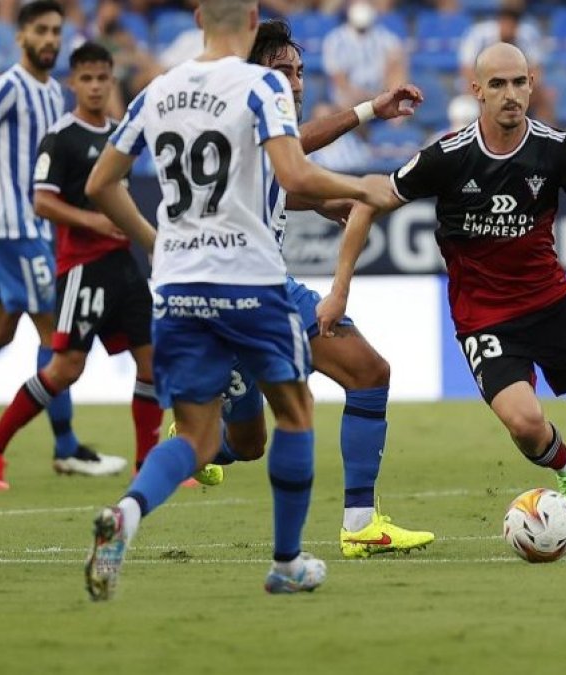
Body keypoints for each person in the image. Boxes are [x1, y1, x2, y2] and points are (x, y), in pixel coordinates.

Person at [318, 43, 566, 554]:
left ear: (532, 84)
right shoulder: (446, 157)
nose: (511, 95)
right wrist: (339, 290)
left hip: (552, 305)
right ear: (477, 91)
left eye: (519, 83)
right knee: (527, 425)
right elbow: (366, 204)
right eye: (499, 85)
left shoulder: (555, 147)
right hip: (484, 318)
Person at [81, 0, 396, 600]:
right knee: (297, 412)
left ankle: (125, 514)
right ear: (252, 25)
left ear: (199, 20)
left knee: (203, 439)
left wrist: (156, 242)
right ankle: (285, 562)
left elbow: (101, 184)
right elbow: (297, 173)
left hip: (176, 287)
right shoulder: (262, 86)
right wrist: (363, 186)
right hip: (250, 283)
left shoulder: (158, 90)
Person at [200, 17, 434, 559]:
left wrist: (323, 204)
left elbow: (278, 181)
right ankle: (358, 523)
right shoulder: (246, 113)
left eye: (300, 72)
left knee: (247, 445)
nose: (297, 82)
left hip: (224, 296)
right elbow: (292, 152)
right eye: (282, 71)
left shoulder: (233, 125)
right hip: (257, 291)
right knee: (370, 373)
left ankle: (193, 444)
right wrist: (371, 109)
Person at [0, 43, 147, 485]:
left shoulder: (122, 134)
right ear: (74, 83)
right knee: (65, 367)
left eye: (103, 77)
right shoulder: (60, 137)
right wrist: (96, 223)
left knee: (154, 362)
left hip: (123, 267)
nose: (96, 86)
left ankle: (150, 466)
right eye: (87, 78)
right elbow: (42, 203)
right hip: (81, 267)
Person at [0, 1, 87, 491]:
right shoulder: (9, 87)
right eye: (41, 31)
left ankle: (67, 444)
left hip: (41, 230)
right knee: (59, 335)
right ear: (21, 37)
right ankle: (67, 444)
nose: (51, 39)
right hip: (14, 229)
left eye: (56, 30)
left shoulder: (56, 95)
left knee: (7, 334)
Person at [322, 0, 407, 110]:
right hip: (348, 101)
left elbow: (396, 70)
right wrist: (366, 99)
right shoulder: (334, 40)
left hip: (380, 96)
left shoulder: (387, 38)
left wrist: (383, 96)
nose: (361, 5)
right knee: (326, 111)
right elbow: (339, 81)